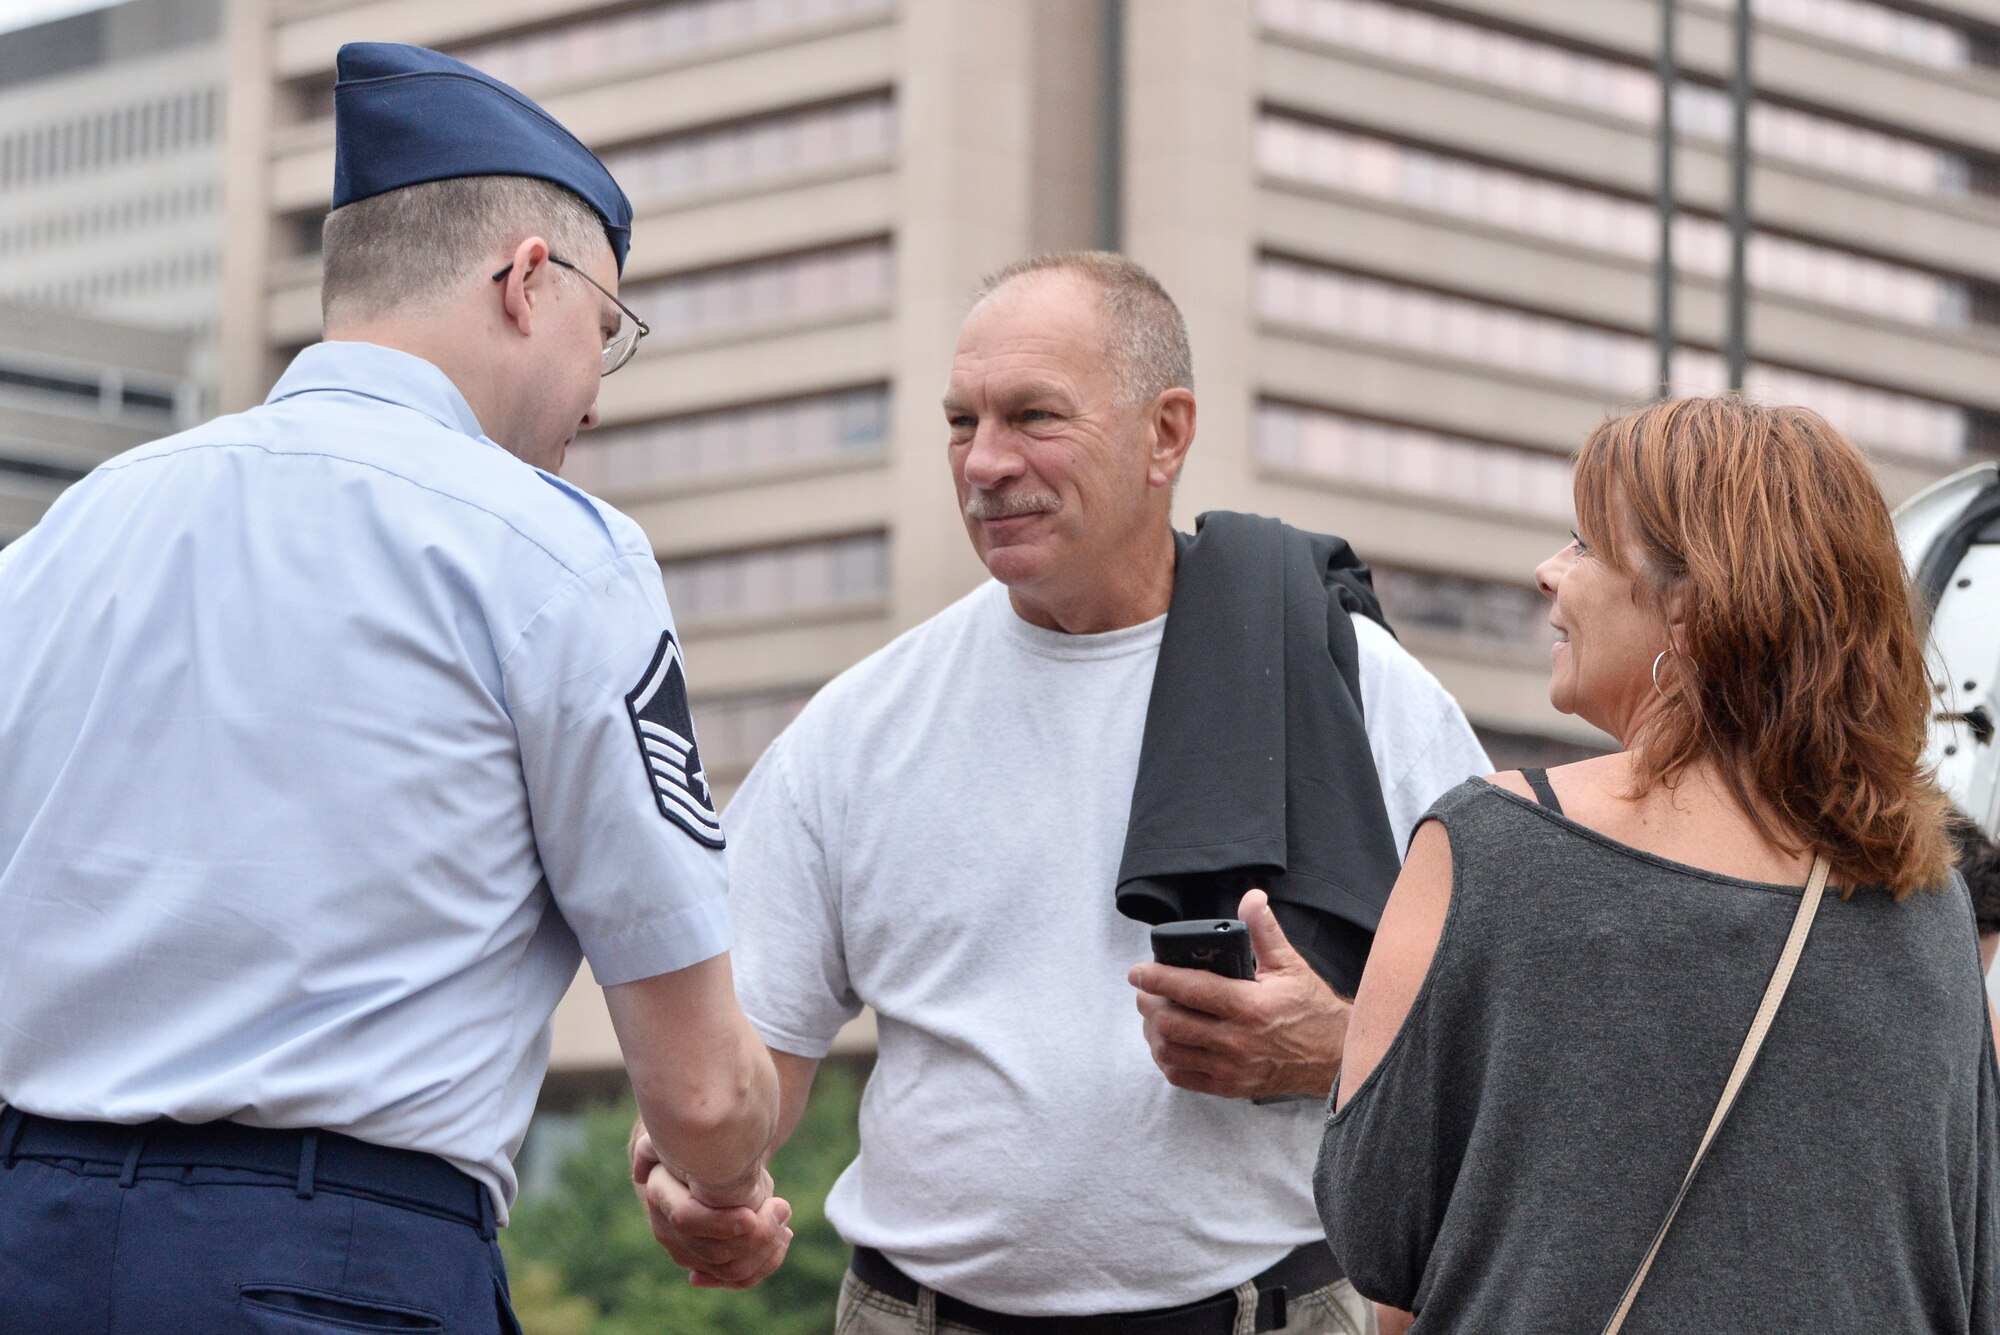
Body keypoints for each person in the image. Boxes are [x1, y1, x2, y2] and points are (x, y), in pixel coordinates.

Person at [0, 42, 784, 1332]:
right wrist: (728, 1181)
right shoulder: (551, 551)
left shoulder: (73, 530)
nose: (594, 395)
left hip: (31, 1243)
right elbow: (699, 1089)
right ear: (530, 280)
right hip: (331, 1267)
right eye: (608, 334)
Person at [635, 251, 1489, 1332]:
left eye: (1033, 416)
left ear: (1165, 434)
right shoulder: (859, 724)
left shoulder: (1363, 696)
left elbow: (1514, 1041)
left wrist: (1332, 1046)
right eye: (960, 422)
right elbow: (744, 1058)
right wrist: (693, 1173)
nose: (984, 462)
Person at [1318, 396, 2000, 1332]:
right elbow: (1972, 1267)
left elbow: (1376, 1231)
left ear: (1691, 603)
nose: (1548, 572)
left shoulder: (1492, 851)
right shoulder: (1929, 905)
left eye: (1585, 544)